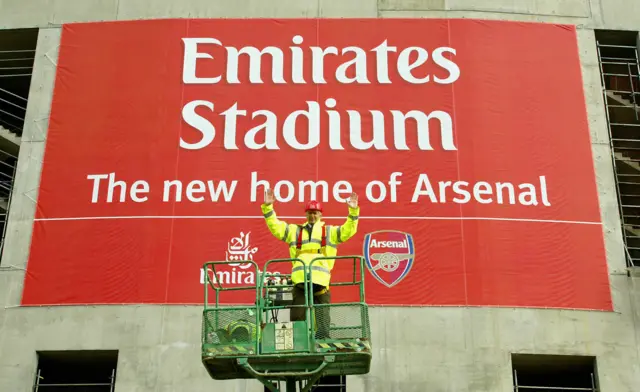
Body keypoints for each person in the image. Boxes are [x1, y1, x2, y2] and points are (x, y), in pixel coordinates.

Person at [261, 188, 360, 339]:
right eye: (310, 212)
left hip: (320, 282)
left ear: (320, 214)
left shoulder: (329, 232)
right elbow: (276, 226)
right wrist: (268, 207)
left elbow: (348, 230)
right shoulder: (295, 231)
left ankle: (322, 340)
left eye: (315, 212)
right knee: (296, 316)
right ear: (306, 214)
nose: (312, 215)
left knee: (322, 317)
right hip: (300, 282)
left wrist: (353, 211)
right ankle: (298, 342)